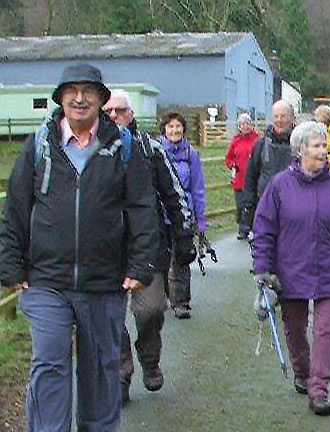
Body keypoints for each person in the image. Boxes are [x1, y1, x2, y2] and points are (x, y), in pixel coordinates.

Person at [0, 64, 158, 431]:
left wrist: (140, 265)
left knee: (101, 367)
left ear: (102, 100)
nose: (79, 97)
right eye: (71, 90)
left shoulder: (123, 147)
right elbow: (16, 209)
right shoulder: (39, 145)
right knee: (50, 360)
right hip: (46, 281)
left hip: (104, 282)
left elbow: (142, 208)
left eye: (88, 90)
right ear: (60, 99)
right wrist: (10, 265)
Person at [251, 121, 330, 417]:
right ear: (300, 151)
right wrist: (262, 269)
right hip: (290, 271)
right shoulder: (280, 186)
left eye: (325, 145)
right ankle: (303, 371)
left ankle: (319, 389)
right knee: (295, 330)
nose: (324, 150)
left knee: (325, 331)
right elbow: (264, 229)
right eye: (317, 145)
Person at [103, 90, 196, 405]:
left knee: (150, 311)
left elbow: (175, 193)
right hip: (105, 250)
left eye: (120, 111)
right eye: (109, 111)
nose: (114, 116)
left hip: (148, 246)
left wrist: (184, 236)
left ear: (131, 115)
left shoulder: (150, 149)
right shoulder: (90, 151)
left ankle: (150, 358)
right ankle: (120, 376)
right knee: (112, 318)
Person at [160, 112, 206, 319]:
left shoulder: (191, 154)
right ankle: (162, 297)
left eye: (178, 127)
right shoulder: (156, 152)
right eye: (170, 127)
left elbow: (197, 187)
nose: (174, 130)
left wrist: (200, 218)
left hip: (183, 214)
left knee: (181, 258)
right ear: (164, 130)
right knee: (160, 259)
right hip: (160, 215)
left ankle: (181, 302)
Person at [242, 100, 295, 230]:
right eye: (276, 116)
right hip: (266, 209)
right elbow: (250, 177)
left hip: (295, 211)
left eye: (284, 116)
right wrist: (249, 207)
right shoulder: (260, 145)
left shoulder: (301, 144)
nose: (279, 120)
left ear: (292, 118)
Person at [224, 113, 259, 239]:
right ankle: (242, 227)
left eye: (247, 124)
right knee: (240, 205)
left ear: (251, 125)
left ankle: (250, 228)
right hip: (239, 178)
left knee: (252, 204)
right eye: (242, 124)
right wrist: (232, 165)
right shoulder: (235, 140)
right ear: (239, 126)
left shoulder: (257, 139)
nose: (245, 126)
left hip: (253, 179)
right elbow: (228, 158)